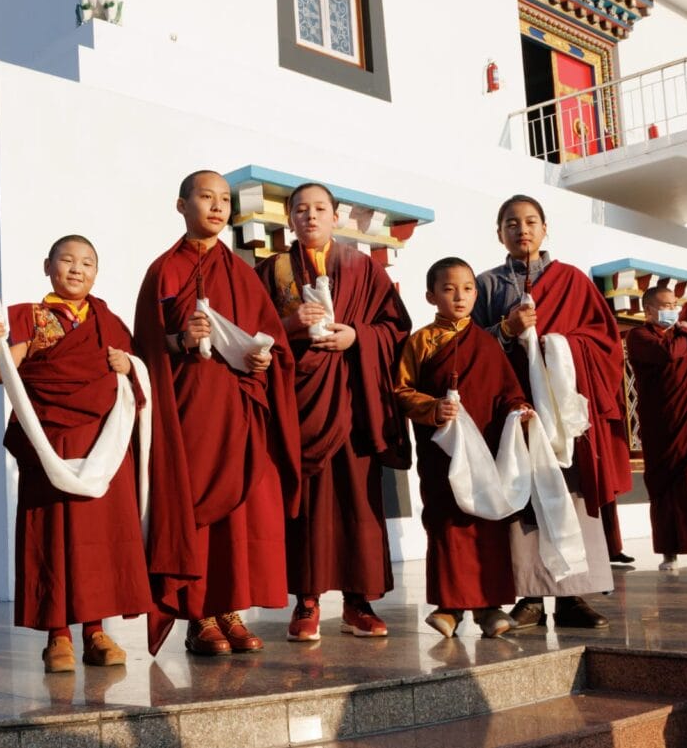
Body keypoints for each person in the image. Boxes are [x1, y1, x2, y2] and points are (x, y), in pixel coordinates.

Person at [133, 169, 301, 656]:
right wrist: (180, 340)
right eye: (206, 197)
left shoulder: (242, 273)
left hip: (241, 407)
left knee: (241, 515)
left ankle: (230, 610)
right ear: (181, 205)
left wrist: (266, 359)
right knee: (196, 507)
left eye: (224, 199)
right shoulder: (163, 271)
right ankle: (198, 615)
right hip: (190, 408)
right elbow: (145, 346)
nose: (217, 206)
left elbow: (272, 339)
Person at [0, 235, 153, 673]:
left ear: (96, 272)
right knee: (53, 533)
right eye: (67, 260)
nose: (77, 269)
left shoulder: (109, 322)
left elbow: (137, 377)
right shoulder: (29, 316)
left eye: (87, 263)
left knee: (100, 537)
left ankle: (96, 632)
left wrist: (129, 366)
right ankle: (57, 636)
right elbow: (1, 371)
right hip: (51, 441)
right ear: (48, 266)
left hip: (104, 444)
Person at [255, 182, 411, 641]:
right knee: (307, 504)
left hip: (354, 399)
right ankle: (306, 600)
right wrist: (288, 325)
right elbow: (251, 332)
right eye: (301, 209)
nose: (311, 216)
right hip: (299, 402)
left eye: (320, 208)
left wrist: (357, 337)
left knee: (358, 501)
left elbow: (396, 328)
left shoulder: (363, 268)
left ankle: (357, 602)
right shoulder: (272, 271)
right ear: (289, 219)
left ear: (335, 216)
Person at [473, 194, 631, 630]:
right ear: (499, 233)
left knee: (570, 496)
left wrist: (560, 346)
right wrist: (506, 330)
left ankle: (573, 597)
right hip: (513, 408)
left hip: (564, 412)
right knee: (522, 499)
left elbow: (604, 341)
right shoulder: (486, 285)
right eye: (511, 223)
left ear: (545, 229)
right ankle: (529, 597)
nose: (521, 230)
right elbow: (471, 346)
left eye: (530, 221)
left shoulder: (573, 281)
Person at [396, 257, 530, 638]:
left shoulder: (486, 343)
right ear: (431, 296)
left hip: (484, 451)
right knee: (446, 523)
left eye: (468, 289)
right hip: (442, 451)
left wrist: (519, 410)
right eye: (449, 289)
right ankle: (449, 606)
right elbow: (401, 392)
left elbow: (507, 392)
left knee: (486, 524)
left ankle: (490, 607)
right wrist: (432, 408)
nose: (460, 296)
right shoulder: (420, 342)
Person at [626, 286, 687, 571]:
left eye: (675, 304)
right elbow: (669, 354)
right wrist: (686, 332)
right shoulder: (639, 336)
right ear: (649, 310)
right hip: (660, 426)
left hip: (686, 421)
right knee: (663, 488)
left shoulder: (681, 335)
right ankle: (669, 552)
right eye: (666, 305)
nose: (672, 310)